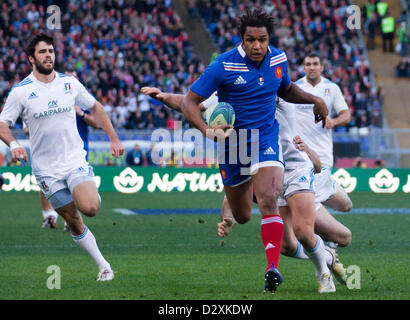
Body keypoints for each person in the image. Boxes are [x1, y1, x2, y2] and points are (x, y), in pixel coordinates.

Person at [141, 9, 329, 293]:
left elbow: (286, 89)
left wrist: (314, 99)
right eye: (251, 40)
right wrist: (206, 131)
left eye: (262, 40)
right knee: (242, 215)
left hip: (265, 138)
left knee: (268, 199)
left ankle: (272, 268)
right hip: (232, 146)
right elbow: (191, 103)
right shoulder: (223, 66)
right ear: (242, 39)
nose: (257, 46)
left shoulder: (278, 59)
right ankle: (309, 254)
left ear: (269, 39)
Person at [0, 33, 124, 281]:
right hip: (46, 171)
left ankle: (88, 192)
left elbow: (95, 106)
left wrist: (113, 137)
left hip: (73, 161)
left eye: (51, 51)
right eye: (43, 52)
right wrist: (13, 144)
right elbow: (3, 123)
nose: (49, 55)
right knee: (73, 220)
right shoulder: (21, 92)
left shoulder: (70, 83)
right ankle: (105, 267)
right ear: (31, 58)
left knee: (90, 208)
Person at [291, 53, 353, 248]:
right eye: (308, 64)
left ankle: (324, 235)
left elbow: (346, 114)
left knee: (346, 206)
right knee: (313, 201)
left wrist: (332, 121)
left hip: (324, 158)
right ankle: (325, 241)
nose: (311, 67)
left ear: (321, 67)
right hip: (302, 158)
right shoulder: (295, 89)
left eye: (315, 64)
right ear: (303, 67)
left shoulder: (331, 88)